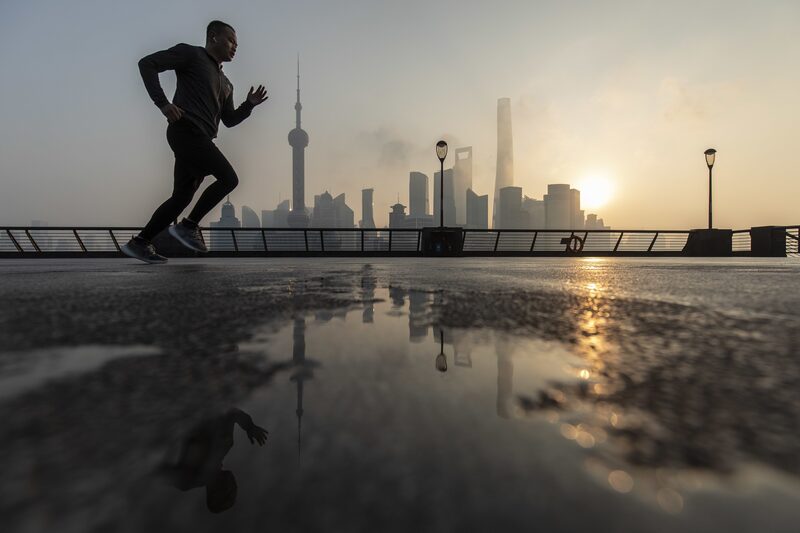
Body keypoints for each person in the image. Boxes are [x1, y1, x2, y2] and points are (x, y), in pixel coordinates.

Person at [122, 20, 269, 263]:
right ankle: (188, 227)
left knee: (181, 198)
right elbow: (147, 64)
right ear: (213, 37)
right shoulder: (191, 55)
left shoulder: (227, 84)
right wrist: (163, 104)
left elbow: (229, 120)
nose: (235, 47)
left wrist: (249, 105)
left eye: (237, 44)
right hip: (186, 130)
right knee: (229, 179)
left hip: (200, 138)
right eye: (231, 40)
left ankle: (140, 243)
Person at [158, 408, 268, 513]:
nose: (236, 486)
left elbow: (156, 469)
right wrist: (249, 426)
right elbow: (232, 413)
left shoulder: (189, 479)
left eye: (232, 492)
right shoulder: (225, 445)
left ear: (216, 493)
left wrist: (250, 426)